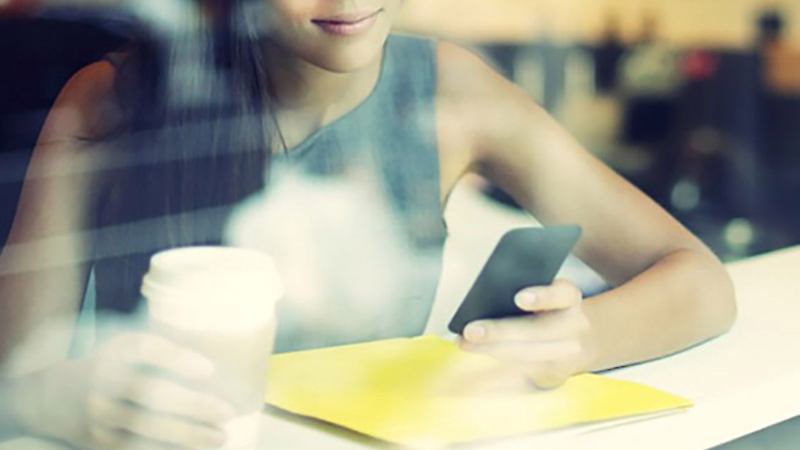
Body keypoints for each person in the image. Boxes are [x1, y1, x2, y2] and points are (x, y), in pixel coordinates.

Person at [0, 0, 736, 449]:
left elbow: (700, 282)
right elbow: (11, 379)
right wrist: (61, 401)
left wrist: (580, 339)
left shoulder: (453, 90)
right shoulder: (110, 100)